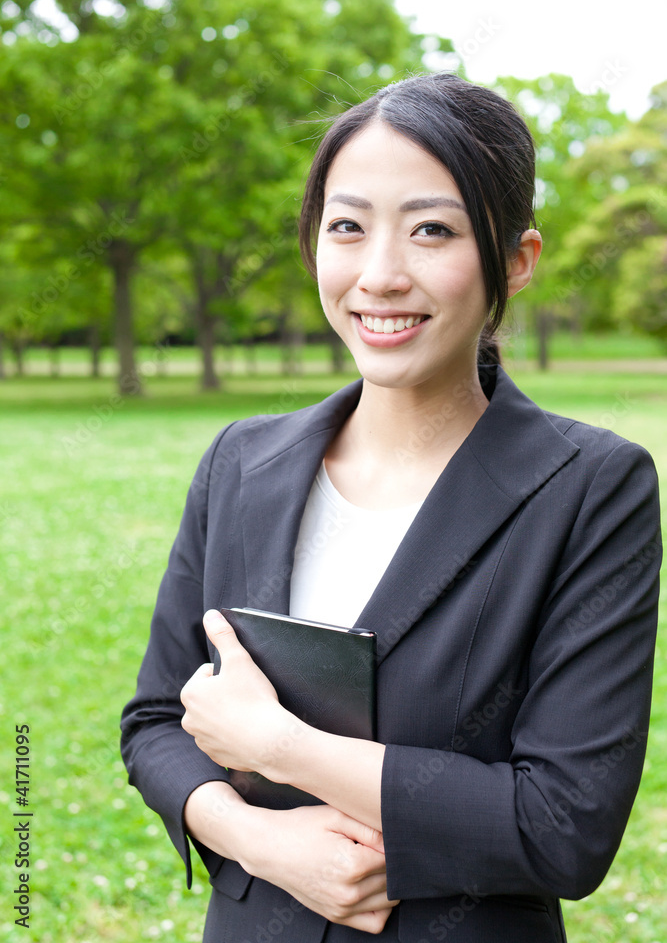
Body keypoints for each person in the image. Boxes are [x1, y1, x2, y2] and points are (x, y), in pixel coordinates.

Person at [120, 72, 661, 943]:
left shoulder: (591, 489)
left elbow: (563, 824)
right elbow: (155, 722)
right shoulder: (240, 462)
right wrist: (259, 837)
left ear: (515, 260)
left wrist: (281, 748)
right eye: (346, 226)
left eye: (431, 230)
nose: (380, 275)